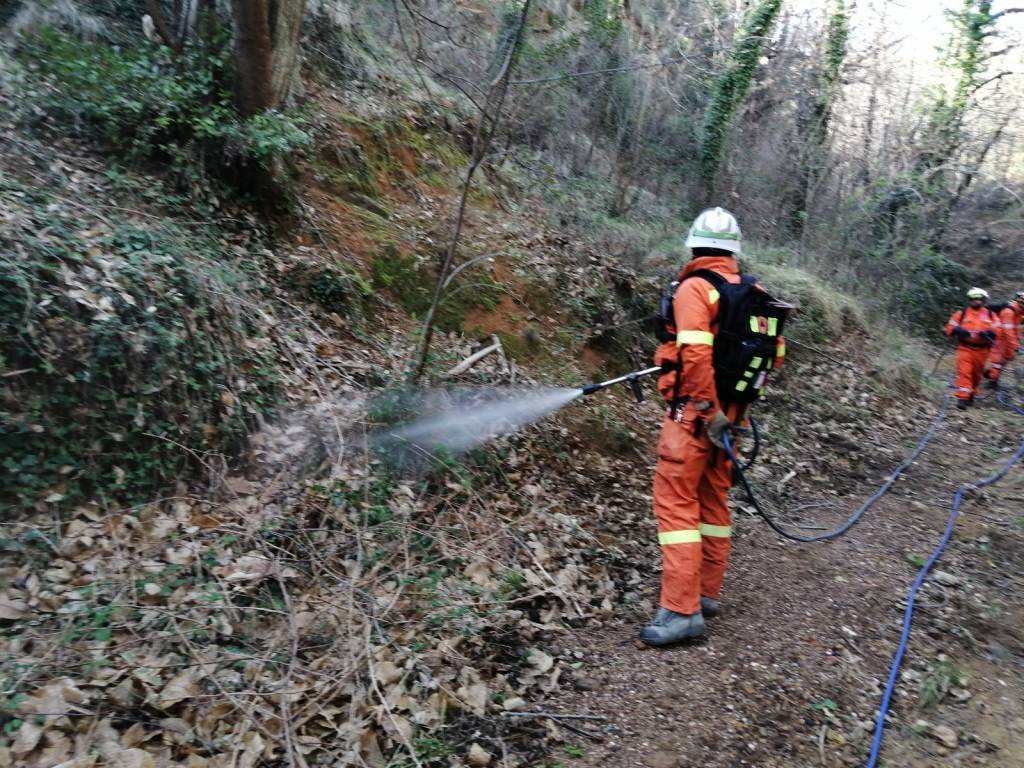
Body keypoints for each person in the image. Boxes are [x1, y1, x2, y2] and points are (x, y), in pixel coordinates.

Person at [640, 207, 783, 646]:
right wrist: (727, 411)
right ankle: (705, 593)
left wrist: (705, 408)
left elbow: (698, 357)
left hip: (696, 418)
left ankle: (681, 612)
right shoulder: (754, 292)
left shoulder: (694, 289)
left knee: (676, 506)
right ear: (733, 249)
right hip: (733, 418)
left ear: (694, 245)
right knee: (711, 501)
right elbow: (774, 356)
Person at [944, 288, 998, 410]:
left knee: (976, 375)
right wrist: (957, 330)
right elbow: (949, 327)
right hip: (965, 348)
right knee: (964, 372)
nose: (977, 301)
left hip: (983, 351)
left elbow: (998, 329)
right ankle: (962, 398)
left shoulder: (991, 315)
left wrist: (990, 333)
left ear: (984, 300)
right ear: (970, 300)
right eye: (974, 299)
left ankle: (971, 394)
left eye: (979, 299)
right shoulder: (961, 313)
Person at [984, 290, 1023, 388]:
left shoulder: (1018, 313)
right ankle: (992, 382)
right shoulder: (1009, 312)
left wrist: (1018, 342)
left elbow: (1015, 328)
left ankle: (991, 374)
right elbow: (1008, 331)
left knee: (1008, 357)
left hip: (1005, 339)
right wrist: (1016, 346)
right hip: (1000, 338)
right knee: (997, 360)